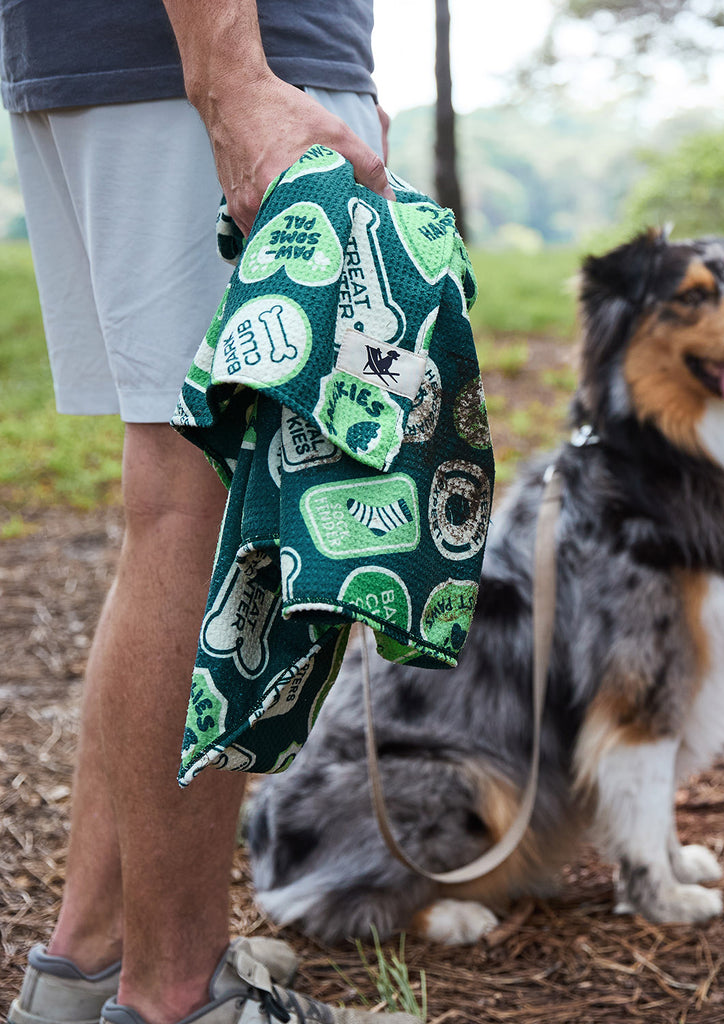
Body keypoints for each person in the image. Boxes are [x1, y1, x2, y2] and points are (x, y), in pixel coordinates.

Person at [1, 3, 420, 1023]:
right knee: (210, 510)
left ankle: (90, 966)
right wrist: (231, 77)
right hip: (206, 64)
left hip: (110, 64)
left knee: (180, 505)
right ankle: (178, 998)